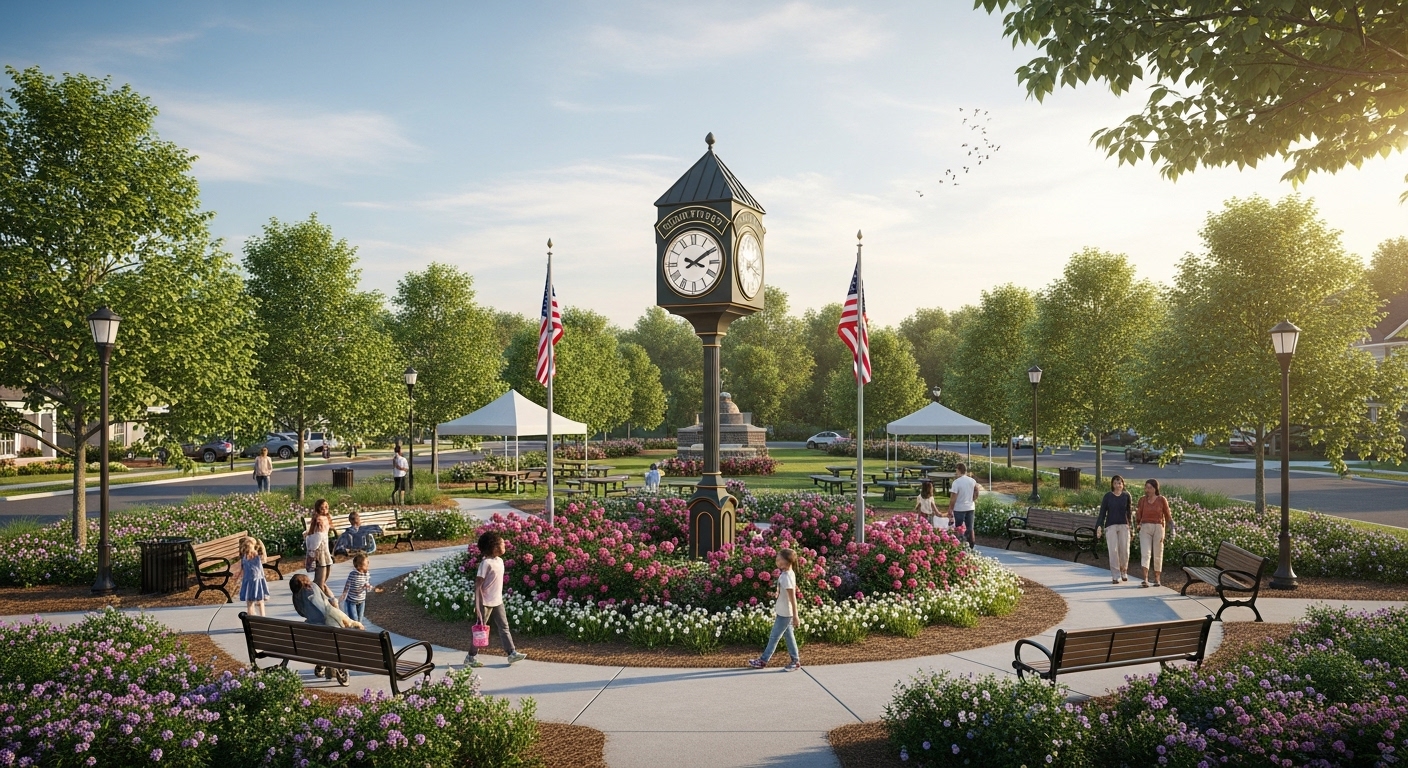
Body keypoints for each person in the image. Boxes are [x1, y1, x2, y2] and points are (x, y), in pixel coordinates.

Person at [466, 530, 527, 668]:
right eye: (501, 543)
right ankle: (470, 656)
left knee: (504, 627)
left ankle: (511, 653)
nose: (504, 545)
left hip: (497, 601)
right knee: (480, 631)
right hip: (485, 602)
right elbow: (478, 585)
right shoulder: (486, 564)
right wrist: (477, 605)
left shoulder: (499, 561)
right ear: (493, 547)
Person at [290, 573, 362, 682]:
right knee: (339, 640)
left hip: (313, 631)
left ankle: (321, 662)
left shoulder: (296, 596)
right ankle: (340, 668)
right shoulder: (312, 588)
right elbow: (324, 611)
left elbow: (301, 613)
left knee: (321, 643)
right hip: (329, 630)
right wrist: (333, 603)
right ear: (305, 581)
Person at [747, 548, 802, 671]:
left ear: (787, 561)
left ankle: (763, 660)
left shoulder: (786, 576)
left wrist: (795, 615)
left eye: (779, 559)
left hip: (785, 613)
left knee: (774, 637)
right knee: (789, 636)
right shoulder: (788, 573)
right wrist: (778, 592)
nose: (776, 562)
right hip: (784, 611)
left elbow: (793, 597)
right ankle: (795, 661)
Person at [1095, 475, 1135, 584]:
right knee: (1113, 551)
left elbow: (1129, 513)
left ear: (1123, 484)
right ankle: (1115, 575)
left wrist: (1131, 527)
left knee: (1124, 550)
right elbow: (1102, 513)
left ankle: (1124, 571)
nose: (1118, 485)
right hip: (1111, 526)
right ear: (1112, 484)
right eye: (1116, 483)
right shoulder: (1108, 496)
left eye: (1120, 483)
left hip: (1124, 525)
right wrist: (1099, 526)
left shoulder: (1126, 496)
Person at [1136, 478, 1175, 587]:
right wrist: (1138, 524)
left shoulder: (1162, 500)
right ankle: (1145, 579)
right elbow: (1138, 514)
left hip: (1158, 527)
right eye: (1146, 487)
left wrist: (1171, 529)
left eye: (1150, 488)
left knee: (1158, 553)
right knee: (1145, 553)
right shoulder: (1142, 500)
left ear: (1155, 488)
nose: (1147, 490)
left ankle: (1157, 579)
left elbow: (1167, 515)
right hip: (1145, 528)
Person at [304, 500, 335, 598]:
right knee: (320, 582)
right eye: (322, 507)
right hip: (319, 551)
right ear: (318, 509)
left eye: (327, 507)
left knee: (323, 580)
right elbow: (313, 535)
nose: (325, 509)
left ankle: (330, 599)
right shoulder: (318, 519)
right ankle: (323, 600)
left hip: (325, 551)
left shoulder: (326, 518)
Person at [947, 463, 980, 548]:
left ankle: (959, 544)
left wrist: (950, 509)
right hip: (970, 507)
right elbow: (976, 492)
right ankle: (971, 544)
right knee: (970, 527)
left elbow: (953, 498)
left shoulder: (956, 483)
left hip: (959, 508)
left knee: (959, 527)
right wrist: (972, 499)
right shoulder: (972, 481)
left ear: (958, 470)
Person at [238, 536, 270, 616]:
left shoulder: (245, 556)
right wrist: (262, 546)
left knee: (249, 600)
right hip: (257, 580)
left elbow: (242, 568)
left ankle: (251, 615)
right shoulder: (256, 555)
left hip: (249, 580)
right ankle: (262, 616)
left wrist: (239, 577)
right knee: (260, 599)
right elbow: (264, 559)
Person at [340, 552, 372, 624]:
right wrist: (344, 594)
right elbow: (347, 584)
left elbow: (367, 585)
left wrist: (368, 587)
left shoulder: (366, 574)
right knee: (354, 620)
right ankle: (355, 632)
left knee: (360, 620)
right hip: (352, 601)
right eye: (366, 562)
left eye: (368, 562)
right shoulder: (352, 574)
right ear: (359, 566)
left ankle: (359, 633)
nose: (368, 564)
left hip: (361, 601)